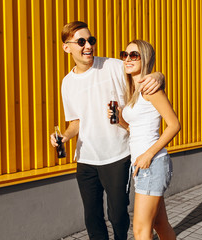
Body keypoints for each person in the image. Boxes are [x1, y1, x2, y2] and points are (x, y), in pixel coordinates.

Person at [50, 21, 164, 240]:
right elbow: (75, 123)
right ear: (67, 47)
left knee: (118, 214)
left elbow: (143, 70)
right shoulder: (67, 83)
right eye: (81, 42)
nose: (88, 46)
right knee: (92, 218)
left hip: (117, 155)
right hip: (86, 159)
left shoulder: (112, 66)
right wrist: (64, 136)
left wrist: (159, 76)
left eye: (90, 41)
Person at [109, 40, 180, 239]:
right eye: (125, 54)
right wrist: (121, 120)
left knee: (141, 230)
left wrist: (148, 155)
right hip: (143, 165)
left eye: (134, 55)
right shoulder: (135, 90)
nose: (128, 59)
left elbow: (174, 124)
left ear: (145, 59)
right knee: (160, 224)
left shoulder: (151, 89)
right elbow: (137, 129)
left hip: (152, 164)